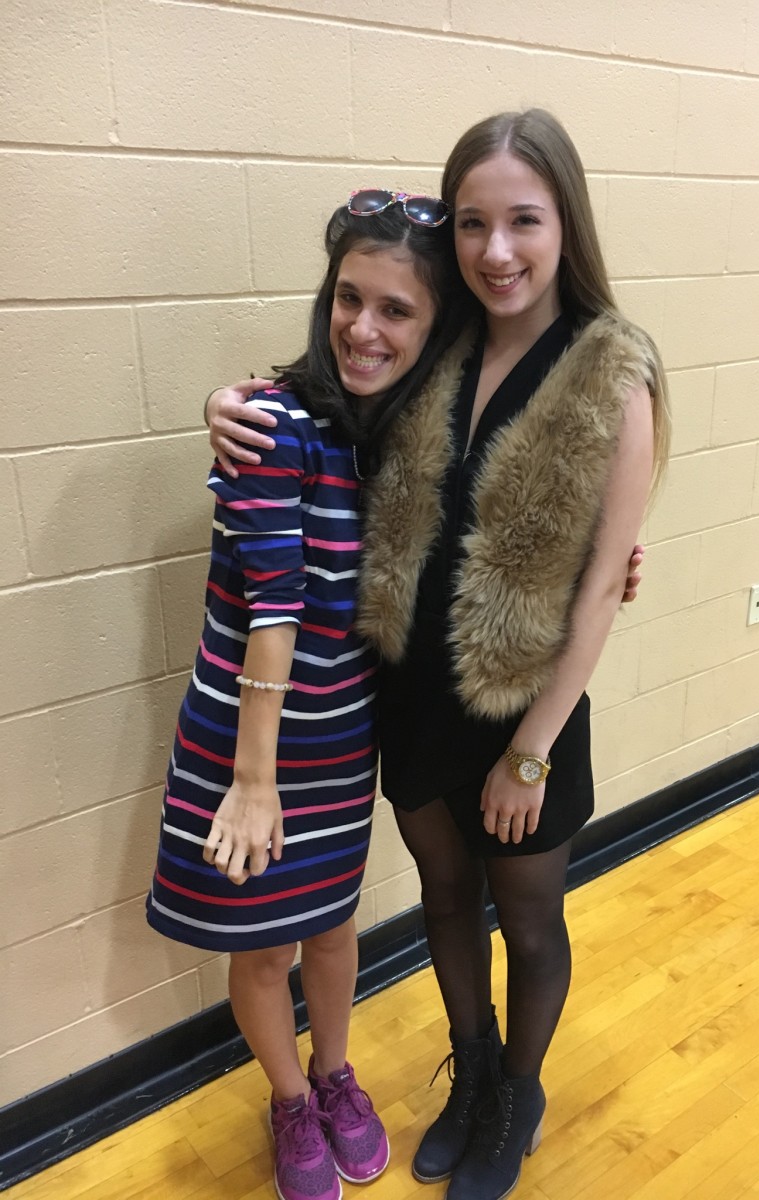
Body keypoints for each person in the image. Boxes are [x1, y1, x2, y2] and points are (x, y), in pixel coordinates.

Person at [207, 109, 669, 1200]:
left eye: (524, 221)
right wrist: (226, 405)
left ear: (566, 223)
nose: (495, 249)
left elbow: (600, 587)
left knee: (530, 921)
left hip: (525, 715)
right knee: (446, 902)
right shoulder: (441, 345)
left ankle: (517, 1095)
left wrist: (532, 753)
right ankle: (471, 1077)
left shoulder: (613, 372)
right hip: (410, 696)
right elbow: (330, 398)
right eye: (472, 223)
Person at [147, 191, 466, 1200]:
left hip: (339, 742)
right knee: (264, 945)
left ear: (435, 326)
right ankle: (288, 1098)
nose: (363, 328)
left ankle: (334, 1074)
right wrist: (253, 783)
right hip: (250, 740)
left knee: (330, 927)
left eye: (396, 309)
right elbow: (272, 610)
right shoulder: (272, 426)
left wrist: (602, 557)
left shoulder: (409, 443)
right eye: (348, 298)